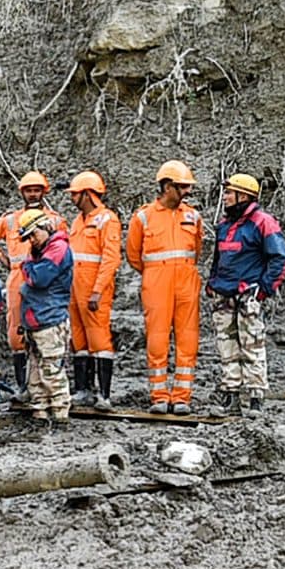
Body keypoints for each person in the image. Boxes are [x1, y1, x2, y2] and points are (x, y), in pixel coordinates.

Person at [127, 160, 205, 414]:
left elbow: (197, 250)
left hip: (186, 280)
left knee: (188, 338)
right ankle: (159, 396)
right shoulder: (143, 217)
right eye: (182, 187)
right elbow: (133, 254)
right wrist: (155, 273)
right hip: (156, 281)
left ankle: (182, 397)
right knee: (157, 339)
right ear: (167, 186)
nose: (187, 192)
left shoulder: (193, 216)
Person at [208, 172, 285, 413]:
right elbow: (218, 258)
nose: (225, 196)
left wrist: (263, 290)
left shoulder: (263, 222)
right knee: (227, 348)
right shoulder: (224, 226)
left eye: (229, 192)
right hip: (223, 296)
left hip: (247, 297)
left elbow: (280, 260)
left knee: (252, 347)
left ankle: (256, 400)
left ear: (243, 195)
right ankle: (231, 397)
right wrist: (213, 283)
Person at [0, 169, 52, 399]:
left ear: (43, 191)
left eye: (37, 190)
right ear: (22, 193)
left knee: (45, 332)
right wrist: (1, 258)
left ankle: (45, 386)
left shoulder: (54, 219)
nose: (33, 194)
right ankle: (23, 387)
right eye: (29, 190)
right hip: (18, 278)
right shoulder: (10, 220)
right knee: (16, 332)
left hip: (43, 279)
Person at [63, 172, 122, 407]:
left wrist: (97, 290)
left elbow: (110, 259)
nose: (72, 198)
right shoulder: (78, 221)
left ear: (88, 194)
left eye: (76, 194)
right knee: (79, 340)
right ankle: (82, 390)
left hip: (94, 290)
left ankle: (104, 395)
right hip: (74, 289)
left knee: (99, 340)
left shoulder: (107, 220)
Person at [12, 208, 74, 426]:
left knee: (52, 369)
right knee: (36, 371)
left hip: (49, 319)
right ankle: (40, 412)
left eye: (33, 235)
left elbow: (39, 278)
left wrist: (26, 266)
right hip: (36, 319)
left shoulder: (57, 249)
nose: (31, 241)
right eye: (28, 237)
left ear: (45, 227)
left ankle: (60, 415)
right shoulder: (39, 251)